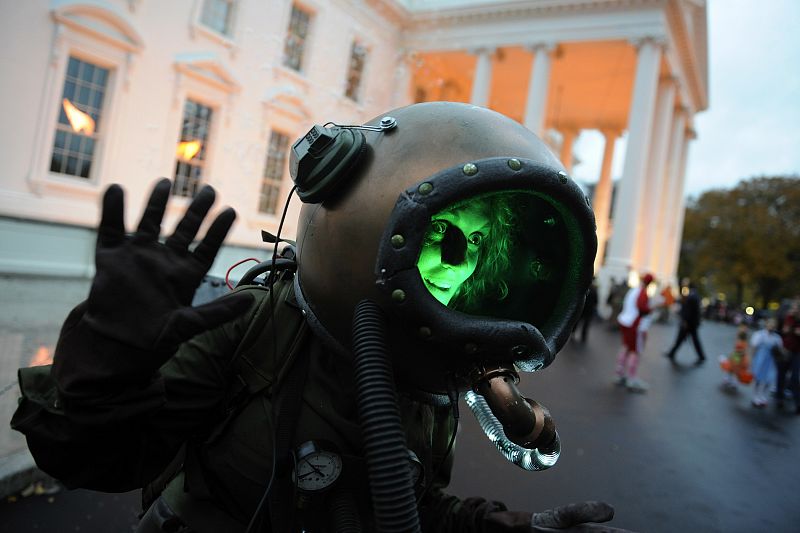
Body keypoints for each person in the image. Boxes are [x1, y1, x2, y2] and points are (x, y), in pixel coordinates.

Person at [10, 102, 626, 532]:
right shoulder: (255, 327)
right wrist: (106, 363)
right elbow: (97, 459)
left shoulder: (438, 372)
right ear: (373, 228)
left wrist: (493, 524)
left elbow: (399, 502)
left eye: (481, 252)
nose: (456, 270)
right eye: (444, 238)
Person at [615, 273, 658, 392]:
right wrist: (651, 308)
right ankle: (631, 378)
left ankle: (619, 373)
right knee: (635, 351)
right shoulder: (643, 293)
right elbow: (642, 308)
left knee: (625, 347)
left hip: (626, 321)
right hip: (635, 325)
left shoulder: (633, 290)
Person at [665, 281, 706, 365]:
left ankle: (672, 353)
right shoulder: (696, 296)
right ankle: (701, 356)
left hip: (688, 323)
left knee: (680, 338)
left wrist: (685, 321)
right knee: (693, 340)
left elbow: (688, 311)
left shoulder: (691, 297)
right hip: (693, 323)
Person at [775, 299, 800, 413]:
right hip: (786, 349)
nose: (793, 309)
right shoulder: (787, 318)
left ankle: (797, 401)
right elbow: (783, 331)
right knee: (781, 373)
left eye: (796, 308)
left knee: (795, 376)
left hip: (797, 351)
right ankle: (779, 396)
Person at [749, 319, 781, 407]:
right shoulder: (759, 335)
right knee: (758, 378)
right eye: (770, 324)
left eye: (774, 324)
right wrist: (751, 359)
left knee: (769, 379)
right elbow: (754, 347)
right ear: (766, 324)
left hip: (771, 360)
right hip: (760, 359)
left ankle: (762, 395)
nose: (772, 326)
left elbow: (779, 350)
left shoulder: (777, 337)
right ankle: (755, 396)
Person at [721, 325, 750, 391]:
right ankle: (733, 382)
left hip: (737, 357)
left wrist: (736, 354)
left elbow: (740, 351)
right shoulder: (744, 342)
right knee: (735, 371)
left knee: (731, 369)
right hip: (740, 358)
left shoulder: (740, 342)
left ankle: (728, 380)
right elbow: (743, 351)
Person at [572, 278, 598, 343]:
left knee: (577, 321)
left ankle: (573, 333)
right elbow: (596, 301)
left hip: (582, 309)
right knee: (585, 324)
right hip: (589, 310)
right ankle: (583, 337)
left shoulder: (582, 288)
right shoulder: (594, 290)